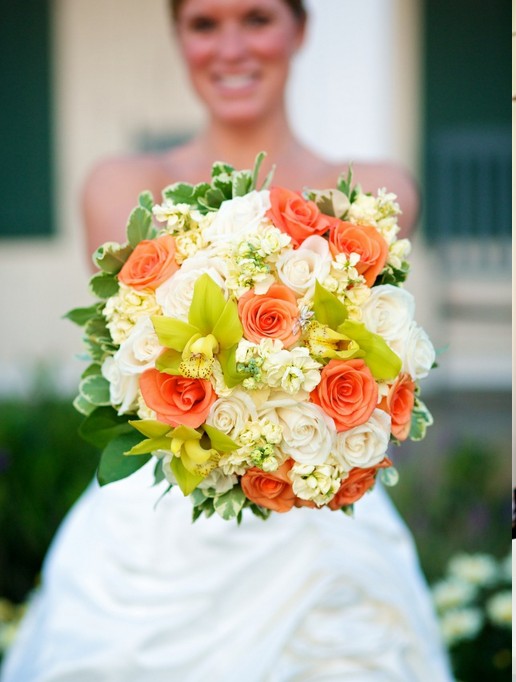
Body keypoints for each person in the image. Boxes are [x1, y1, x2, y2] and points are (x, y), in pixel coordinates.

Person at [1, 1, 450, 680]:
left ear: (300, 29)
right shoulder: (121, 186)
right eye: (204, 24)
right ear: (178, 37)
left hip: (317, 518)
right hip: (157, 529)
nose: (231, 48)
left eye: (256, 19)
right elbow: (139, 359)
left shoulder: (377, 192)